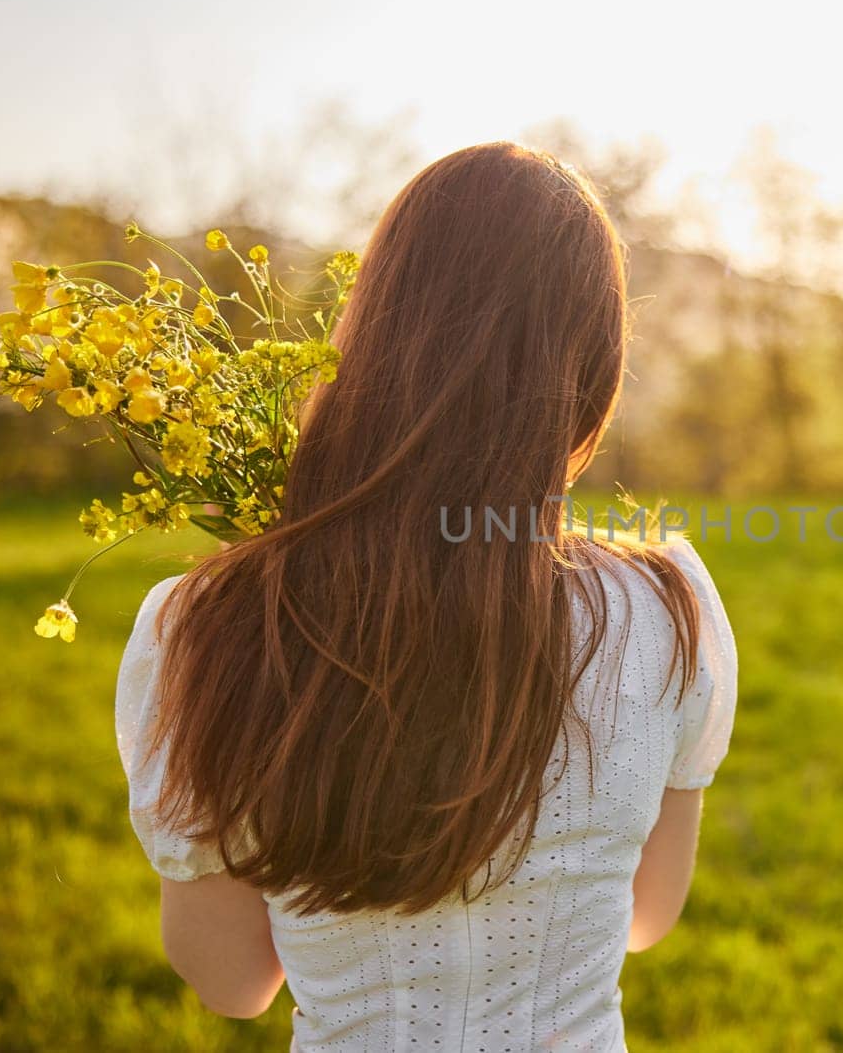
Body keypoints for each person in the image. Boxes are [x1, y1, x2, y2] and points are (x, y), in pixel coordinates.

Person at [114, 142, 737, 1051]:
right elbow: (647, 914)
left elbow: (234, 981)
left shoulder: (206, 625)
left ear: (368, 330)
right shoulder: (668, 606)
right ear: (593, 371)